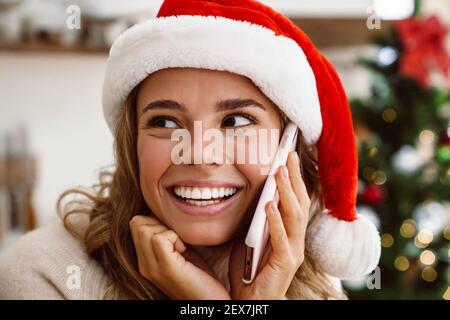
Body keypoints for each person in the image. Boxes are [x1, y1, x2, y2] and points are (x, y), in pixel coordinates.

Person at [0, 0, 380, 300]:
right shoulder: (42, 274)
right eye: (165, 122)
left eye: (235, 121)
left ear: (286, 147)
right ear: (133, 143)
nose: (199, 153)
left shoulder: (312, 275)